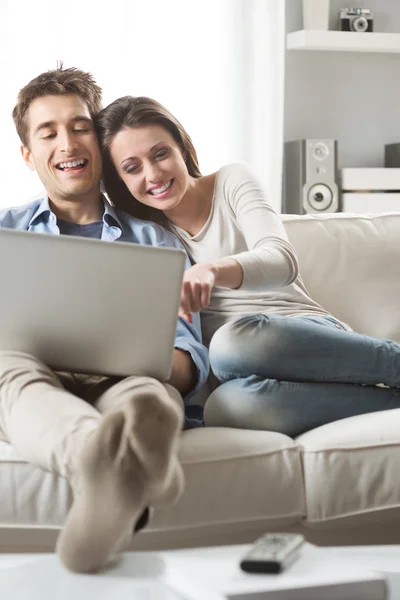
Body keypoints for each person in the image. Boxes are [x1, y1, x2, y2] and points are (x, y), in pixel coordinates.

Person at [95, 94, 400, 439]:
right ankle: (390, 401)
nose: (153, 174)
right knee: (225, 408)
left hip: (296, 336)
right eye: (132, 167)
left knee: (230, 344)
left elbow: (280, 259)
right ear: (119, 180)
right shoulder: (143, 235)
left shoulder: (231, 181)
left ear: (180, 147)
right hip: (236, 374)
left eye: (160, 153)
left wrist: (212, 270)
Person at [1, 71, 209, 573]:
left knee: (148, 389)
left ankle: (141, 424)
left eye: (79, 127)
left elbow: (190, 359)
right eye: (48, 132)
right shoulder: (4, 233)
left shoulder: (154, 239)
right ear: (29, 154)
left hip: (124, 378)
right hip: (34, 381)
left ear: (100, 138)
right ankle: (101, 453)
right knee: (8, 369)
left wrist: (155, 363)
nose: (67, 143)